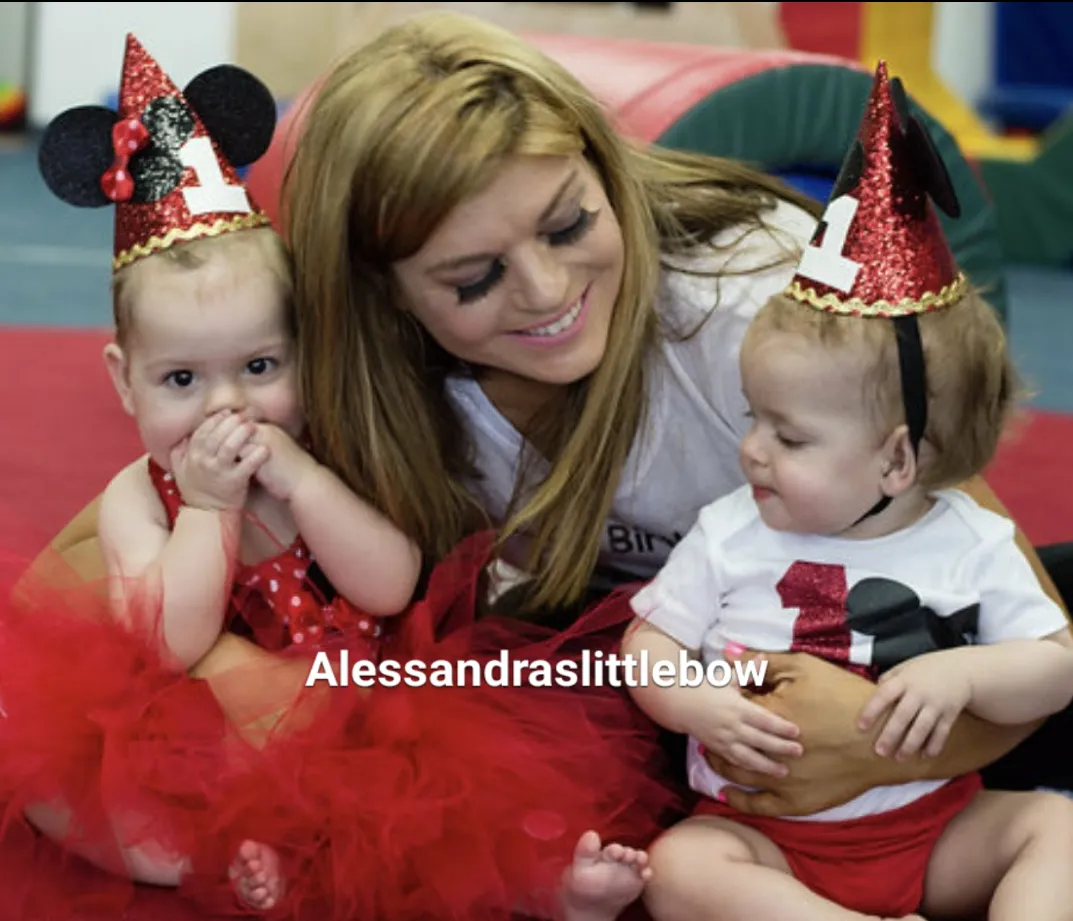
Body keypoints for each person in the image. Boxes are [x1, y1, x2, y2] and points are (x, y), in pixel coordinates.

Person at [19, 0, 1073, 884]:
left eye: (568, 225)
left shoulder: (751, 313)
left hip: (868, 671)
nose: (548, 293)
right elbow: (69, 580)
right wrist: (237, 665)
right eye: (472, 280)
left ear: (602, 174)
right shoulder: (333, 367)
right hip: (626, 683)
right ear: (381, 300)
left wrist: (871, 747)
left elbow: (981, 578)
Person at [0, 33, 676, 921]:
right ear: (123, 380)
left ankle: (543, 884)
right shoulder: (142, 495)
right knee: (71, 792)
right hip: (208, 724)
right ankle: (231, 855)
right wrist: (208, 509)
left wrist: (304, 483)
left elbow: (391, 582)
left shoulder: (316, 452)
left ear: (307, 358)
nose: (224, 408)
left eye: (260, 367)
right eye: (180, 380)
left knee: (444, 791)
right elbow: (170, 640)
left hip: (355, 704)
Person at [621, 61, 1073, 921]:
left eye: (787, 436)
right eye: (752, 418)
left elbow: (1053, 671)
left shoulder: (967, 540)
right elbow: (648, 642)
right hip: (768, 840)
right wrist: (696, 703)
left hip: (929, 827)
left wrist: (966, 673)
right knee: (680, 867)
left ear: (897, 462)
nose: (749, 452)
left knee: (1051, 821)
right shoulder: (728, 531)